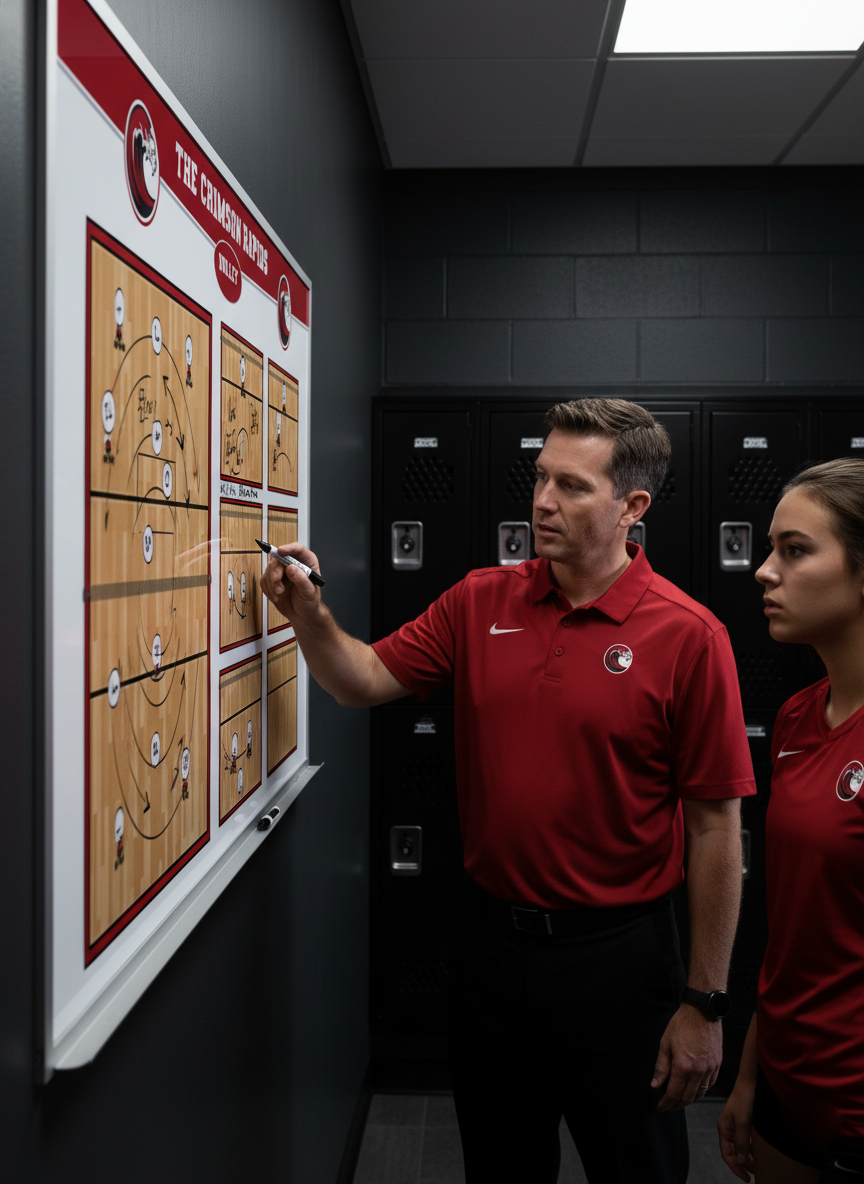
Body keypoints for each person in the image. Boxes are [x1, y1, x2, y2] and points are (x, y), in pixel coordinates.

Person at [261, 398, 756, 1184]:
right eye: (538, 478)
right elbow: (360, 679)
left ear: (633, 508)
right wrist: (310, 615)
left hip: (621, 961)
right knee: (500, 1164)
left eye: (570, 485)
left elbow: (716, 831)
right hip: (492, 947)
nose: (542, 501)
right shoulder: (479, 598)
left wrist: (705, 1002)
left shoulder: (689, 636)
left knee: (638, 1168)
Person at [718, 459, 864, 1184]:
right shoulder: (797, 718)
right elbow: (795, 927)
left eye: (795, 550)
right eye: (771, 547)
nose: (763, 571)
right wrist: (751, 1073)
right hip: (785, 1080)